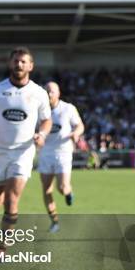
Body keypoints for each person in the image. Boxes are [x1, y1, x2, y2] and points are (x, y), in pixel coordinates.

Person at [0, 46, 51, 256]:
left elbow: (46, 120)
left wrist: (42, 135)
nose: (19, 64)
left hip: (23, 153)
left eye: (23, 61)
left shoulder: (39, 93)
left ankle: (3, 247)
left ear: (31, 66)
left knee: (11, 199)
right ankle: (5, 217)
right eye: (16, 61)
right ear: (10, 63)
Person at [38, 81, 84, 232]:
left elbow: (80, 125)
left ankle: (68, 192)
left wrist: (76, 133)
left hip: (63, 152)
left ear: (58, 93)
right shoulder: (39, 110)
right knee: (46, 190)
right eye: (46, 91)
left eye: (51, 91)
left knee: (62, 188)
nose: (48, 94)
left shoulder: (68, 108)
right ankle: (55, 221)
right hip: (45, 153)